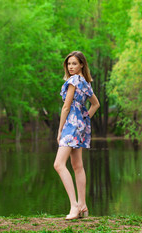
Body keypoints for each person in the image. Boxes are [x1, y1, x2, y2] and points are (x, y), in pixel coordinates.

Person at [54, 51, 100, 220]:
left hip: (71, 126)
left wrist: (60, 130)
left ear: (82, 65)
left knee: (59, 164)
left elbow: (66, 108)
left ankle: (74, 206)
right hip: (79, 126)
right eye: (69, 64)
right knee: (77, 166)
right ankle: (83, 205)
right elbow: (95, 104)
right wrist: (84, 118)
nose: (71, 67)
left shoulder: (73, 81)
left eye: (74, 63)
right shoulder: (85, 82)